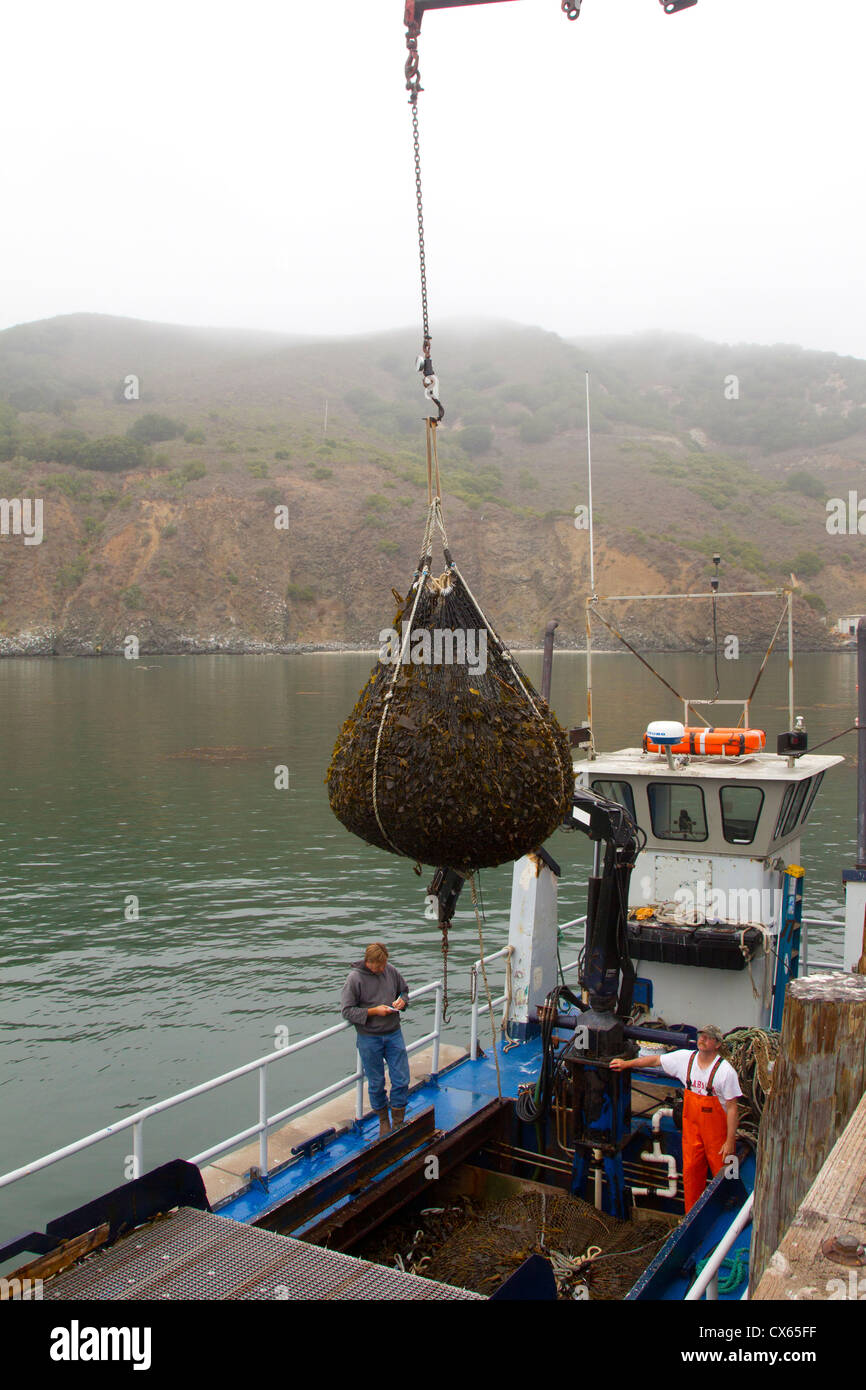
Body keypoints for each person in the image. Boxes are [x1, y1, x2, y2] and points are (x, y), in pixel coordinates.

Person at [610, 1024, 742, 1212]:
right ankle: (691, 1217)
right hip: (692, 1131)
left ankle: (734, 1207)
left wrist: (730, 1141)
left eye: (708, 1037)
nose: (702, 1040)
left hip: (718, 1135)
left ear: (718, 1044)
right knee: (690, 1174)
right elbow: (655, 1060)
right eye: (701, 1036)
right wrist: (626, 1064)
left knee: (728, 1170)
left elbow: (732, 1108)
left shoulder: (726, 1071)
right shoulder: (685, 1059)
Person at [341, 942, 410, 1138]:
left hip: (393, 1032)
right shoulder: (354, 979)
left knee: (401, 1078)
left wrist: (403, 1001)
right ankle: (383, 1120)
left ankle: (398, 1119)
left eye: (384, 965)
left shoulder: (391, 971)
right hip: (369, 1037)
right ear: (368, 962)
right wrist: (373, 1011)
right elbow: (347, 1010)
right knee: (376, 1082)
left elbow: (404, 991)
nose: (381, 970)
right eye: (378, 967)